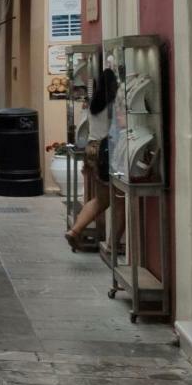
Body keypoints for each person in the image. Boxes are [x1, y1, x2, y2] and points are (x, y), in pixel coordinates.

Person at [66, 68, 119, 251]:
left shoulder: (94, 104)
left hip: (92, 148)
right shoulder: (114, 104)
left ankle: (75, 230)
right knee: (118, 200)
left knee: (99, 198)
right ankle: (113, 244)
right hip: (107, 150)